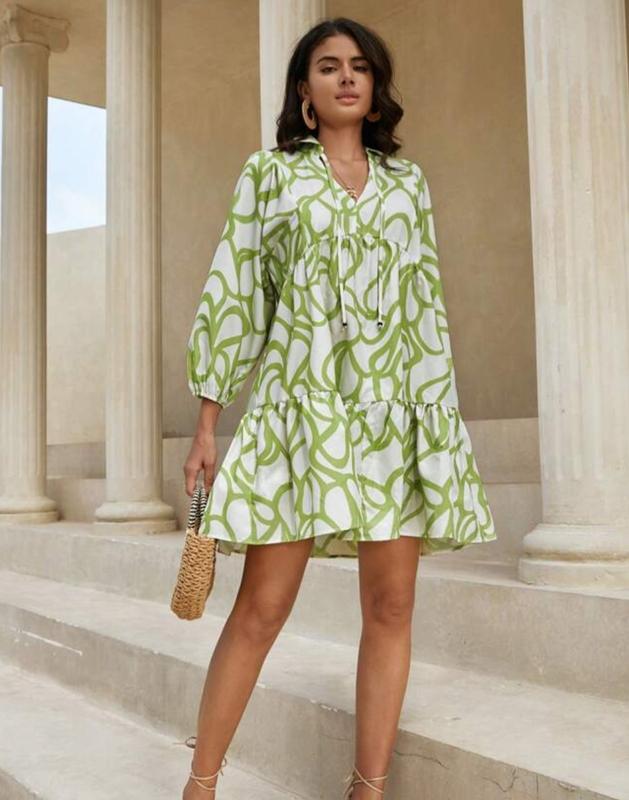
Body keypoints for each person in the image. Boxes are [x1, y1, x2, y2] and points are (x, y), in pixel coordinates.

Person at [180, 16, 496, 799]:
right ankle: (200, 785)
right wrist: (208, 422)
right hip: (302, 409)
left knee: (390, 605)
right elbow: (236, 293)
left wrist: (435, 432)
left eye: (359, 66)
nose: (346, 77)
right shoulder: (270, 175)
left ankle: (367, 789)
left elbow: (425, 307)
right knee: (261, 608)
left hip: (395, 413)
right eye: (328, 66)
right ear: (304, 89)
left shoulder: (406, 184)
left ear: (375, 87)